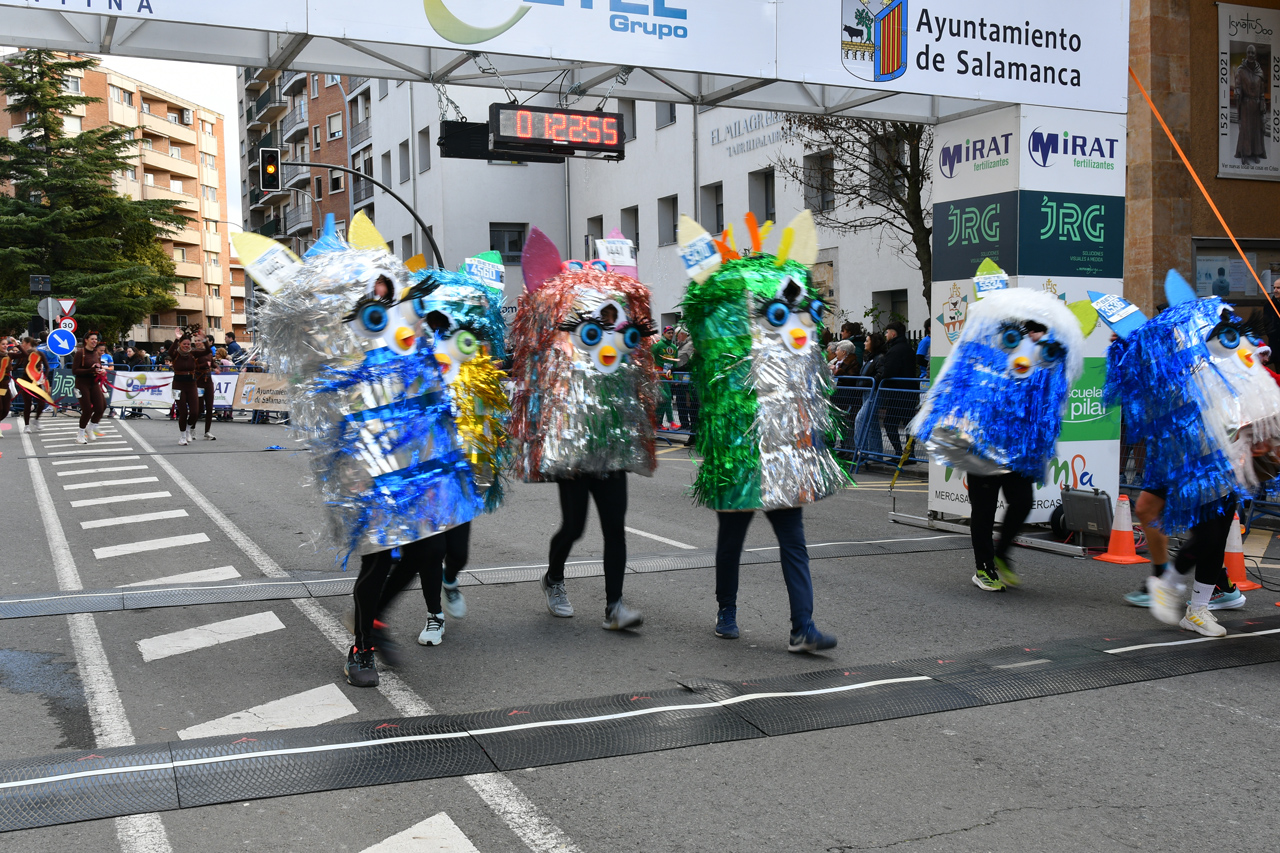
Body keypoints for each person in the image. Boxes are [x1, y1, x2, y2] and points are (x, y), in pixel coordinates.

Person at [679, 209, 844, 652]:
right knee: (732, 539)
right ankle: (726, 610)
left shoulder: (794, 352)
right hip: (739, 450)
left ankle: (802, 626)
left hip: (783, 453)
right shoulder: (729, 330)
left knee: (793, 540)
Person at [510, 227, 658, 632]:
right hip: (574, 451)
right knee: (573, 527)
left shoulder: (622, 353)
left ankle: (614, 606)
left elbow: (638, 384)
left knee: (614, 529)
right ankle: (553, 579)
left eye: (613, 319)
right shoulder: (565, 351)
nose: (608, 329)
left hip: (612, 450)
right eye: (599, 322)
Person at [910, 289, 1087, 592]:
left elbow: (1051, 400)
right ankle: (984, 568)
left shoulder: (1044, 364)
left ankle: (1002, 554)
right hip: (982, 447)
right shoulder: (993, 353)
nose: (1033, 336)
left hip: (1017, 451)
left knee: (1022, 502)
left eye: (1039, 331)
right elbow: (962, 383)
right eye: (1030, 329)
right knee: (984, 509)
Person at [876, 320, 918, 458]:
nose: (885, 335)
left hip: (898, 392)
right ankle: (909, 454)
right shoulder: (907, 348)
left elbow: (889, 371)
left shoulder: (895, 350)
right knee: (908, 423)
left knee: (889, 422)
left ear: (893, 334)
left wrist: (880, 378)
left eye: (887, 332)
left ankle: (900, 453)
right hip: (909, 390)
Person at [168, 331, 208, 446]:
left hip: (191, 385)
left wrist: (204, 340)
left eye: (188, 344)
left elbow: (207, 351)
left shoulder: (193, 354)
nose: (186, 346)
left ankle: (188, 429)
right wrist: (177, 339)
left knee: (195, 412)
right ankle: (182, 437)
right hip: (178, 385)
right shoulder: (176, 354)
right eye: (184, 344)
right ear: (180, 344)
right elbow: (169, 352)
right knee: (183, 412)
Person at [71, 331, 107, 444]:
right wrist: (90, 370)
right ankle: (80, 435)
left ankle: (90, 428)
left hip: (94, 382)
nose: (94, 341)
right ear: (86, 340)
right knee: (87, 410)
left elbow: (98, 366)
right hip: (82, 383)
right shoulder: (80, 353)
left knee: (101, 407)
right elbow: (74, 371)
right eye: (92, 339)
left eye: (96, 339)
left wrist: (101, 371)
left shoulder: (96, 353)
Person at [1235, 44, 1268, 165]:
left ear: (1256, 55)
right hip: (1246, 104)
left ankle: (1256, 153)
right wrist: (1237, 93)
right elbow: (1238, 86)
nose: (1250, 55)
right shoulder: (1241, 70)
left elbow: (1262, 92)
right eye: (1249, 52)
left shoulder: (1260, 72)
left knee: (1256, 130)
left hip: (1256, 105)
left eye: (1253, 53)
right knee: (1245, 130)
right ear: (1246, 54)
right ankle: (1244, 154)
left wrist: (1263, 106)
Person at [673, 327, 697, 444]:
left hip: (694, 383)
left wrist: (676, 370)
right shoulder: (682, 346)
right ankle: (693, 435)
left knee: (694, 409)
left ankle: (695, 435)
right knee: (691, 409)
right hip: (689, 384)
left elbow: (689, 365)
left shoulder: (691, 346)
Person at [651, 326, 679, 429]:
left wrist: (676, 378)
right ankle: (671, 421)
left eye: (672, 333)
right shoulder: (658, 344)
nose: (671, 335)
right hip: (659, 376)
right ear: (664, 333)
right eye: (669, 333)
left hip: (668, 377)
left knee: (664, 400)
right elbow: (650, 356)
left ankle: (658, 423)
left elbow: (675, 364)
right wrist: (652, 370)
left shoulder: (674, 347)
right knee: (667, 397)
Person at [194, 332, 218, 440]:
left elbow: (212, 363)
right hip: (198, 381)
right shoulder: (193, 353)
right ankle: (192, 428)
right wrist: (205, 365)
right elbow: (193, 366)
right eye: (195, 341)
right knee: (198, 409)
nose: (197, 342)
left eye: (199, 340)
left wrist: (217, 367)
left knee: (209, 407)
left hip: (208, 381)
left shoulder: (208, 353)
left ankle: (207, 431)